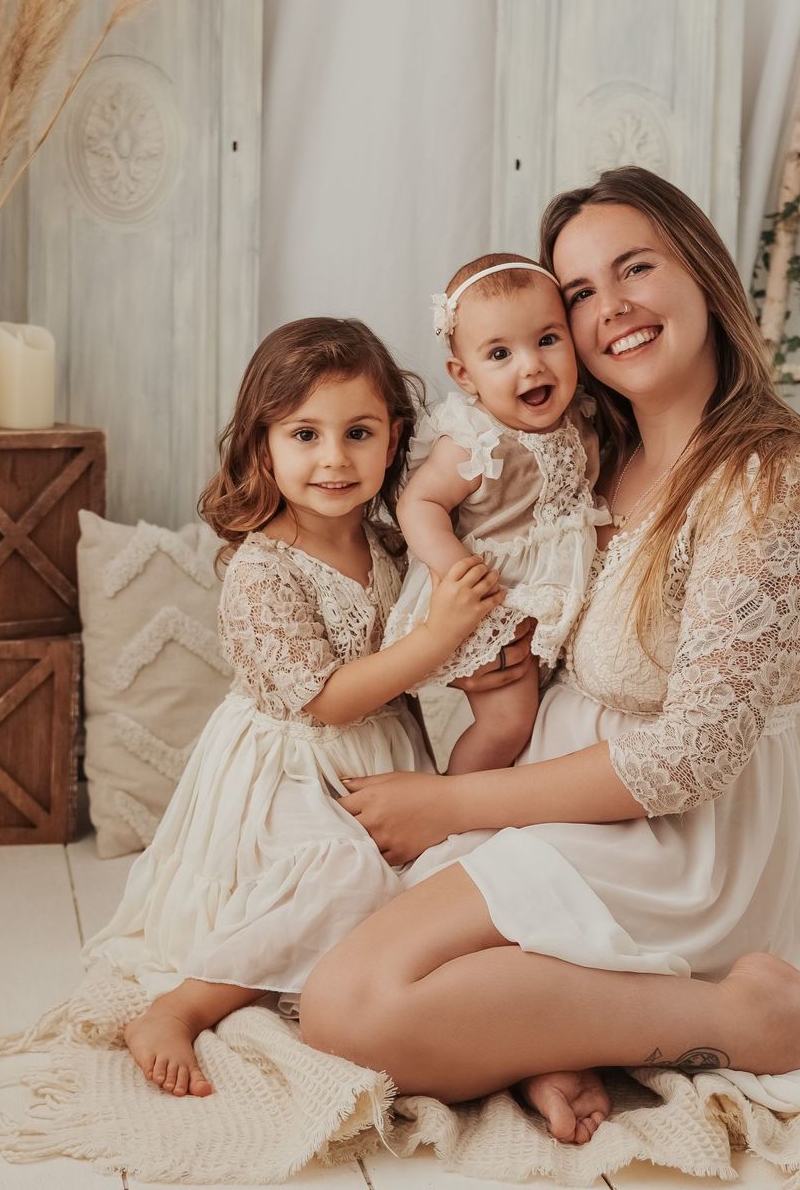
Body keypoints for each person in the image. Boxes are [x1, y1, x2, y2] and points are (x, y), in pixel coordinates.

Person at [299, 167, 800, 1146]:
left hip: (676, 836)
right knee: (338, 966)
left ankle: (747, 1018)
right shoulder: (586, 447)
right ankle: (567, 1041)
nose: (613, 308)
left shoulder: (768, 479)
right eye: (583, 293)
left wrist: (450, 803)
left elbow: (692, 758)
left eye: (635, 267)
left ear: (702, 273)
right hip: (555, 786)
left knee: (352, 1006)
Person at [85, 317, 505, 1097]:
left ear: (394, 439)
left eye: (358, 432)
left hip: (382, 757)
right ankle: (184, 1005)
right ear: (262, 447)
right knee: (341, 875)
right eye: (305, 434)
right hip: (290, 768)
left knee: (455, 874)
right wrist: (441, 632)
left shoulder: (389, 541)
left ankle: (505, 1040)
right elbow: (328, 699)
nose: (334, 459)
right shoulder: (263, 569)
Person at [383, 252, 605, 775]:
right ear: (465, 375)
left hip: (552, 588)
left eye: (548, 340)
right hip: (495, 596)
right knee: (507, 723)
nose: (531, 365)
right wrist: (454, 570)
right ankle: (448, 806)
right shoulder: (476, 439)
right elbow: (419, 502)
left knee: (548, 717)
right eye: (500, 353)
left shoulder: (581, 416)